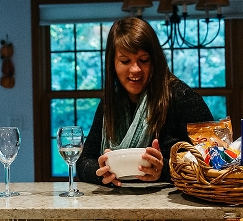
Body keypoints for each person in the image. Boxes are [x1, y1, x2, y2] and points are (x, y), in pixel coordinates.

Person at [77, 17, 214, 186]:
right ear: (112, 64)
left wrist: (164, 170)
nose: (135, 69)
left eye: (144, 60)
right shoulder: (110, 103)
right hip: (116, 206)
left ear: (155, 61)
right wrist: (101, 172)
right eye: (125, 61)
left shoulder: (183, 98)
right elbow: (84, 161)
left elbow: (212, 161)